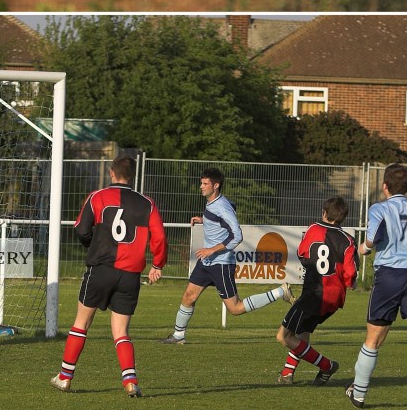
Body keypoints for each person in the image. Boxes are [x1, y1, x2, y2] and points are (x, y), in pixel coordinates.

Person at [51, 156, 167, 397]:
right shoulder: (147, 204)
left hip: (100, 269)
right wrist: (158, 264)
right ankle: (130, 381)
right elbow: (159, 238)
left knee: (81, 323)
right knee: (121, 331)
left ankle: (64, 377)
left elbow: (82, 229)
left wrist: (92, 244)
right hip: (130, 276)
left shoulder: (98, 197)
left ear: (112, 173)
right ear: (132, 176)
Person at [160, 167, 293, 345]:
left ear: (216, 185)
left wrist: (212, 249)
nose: (201, 186)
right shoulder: (216, 203)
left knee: (235, 308)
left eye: (205, 183)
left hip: (221, 264)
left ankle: (279, 292)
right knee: (188, 296)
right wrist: (204, 220)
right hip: (207, 262)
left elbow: (237, 234)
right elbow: (228, 210)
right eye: (201, 183)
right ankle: (178, 336)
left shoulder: (222, 207)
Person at [347, 164, 407, 408]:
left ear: (385, 186)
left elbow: (374, 237)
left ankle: (358, 393)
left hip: (389, 276)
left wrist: (365, 248)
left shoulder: (379, 208)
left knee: (374, 339)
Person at [276, 196, 357, 385]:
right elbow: (351, 273)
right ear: (343, 217)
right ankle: (288, 373)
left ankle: (327, 365)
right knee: (303, 331)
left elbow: (302, 254)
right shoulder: (348, 240)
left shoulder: (314, 229)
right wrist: (347, 281)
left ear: (324, 213)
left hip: (314, 294)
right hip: (334, 299)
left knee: (284, 336)